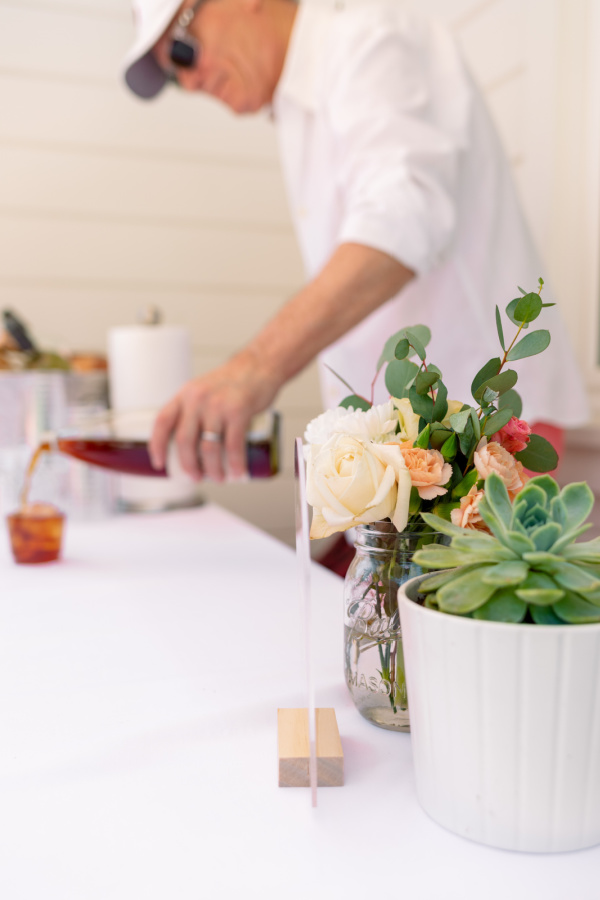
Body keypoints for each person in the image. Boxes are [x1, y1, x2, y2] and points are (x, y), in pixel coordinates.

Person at [122, 0, 589, 485]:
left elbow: (402, 219)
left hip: (490, 432)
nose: (190, 81)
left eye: (180, 48)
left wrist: (256, 367)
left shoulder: (370, 42)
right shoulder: (301, 103)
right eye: (172, 76)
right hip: (417, 451)